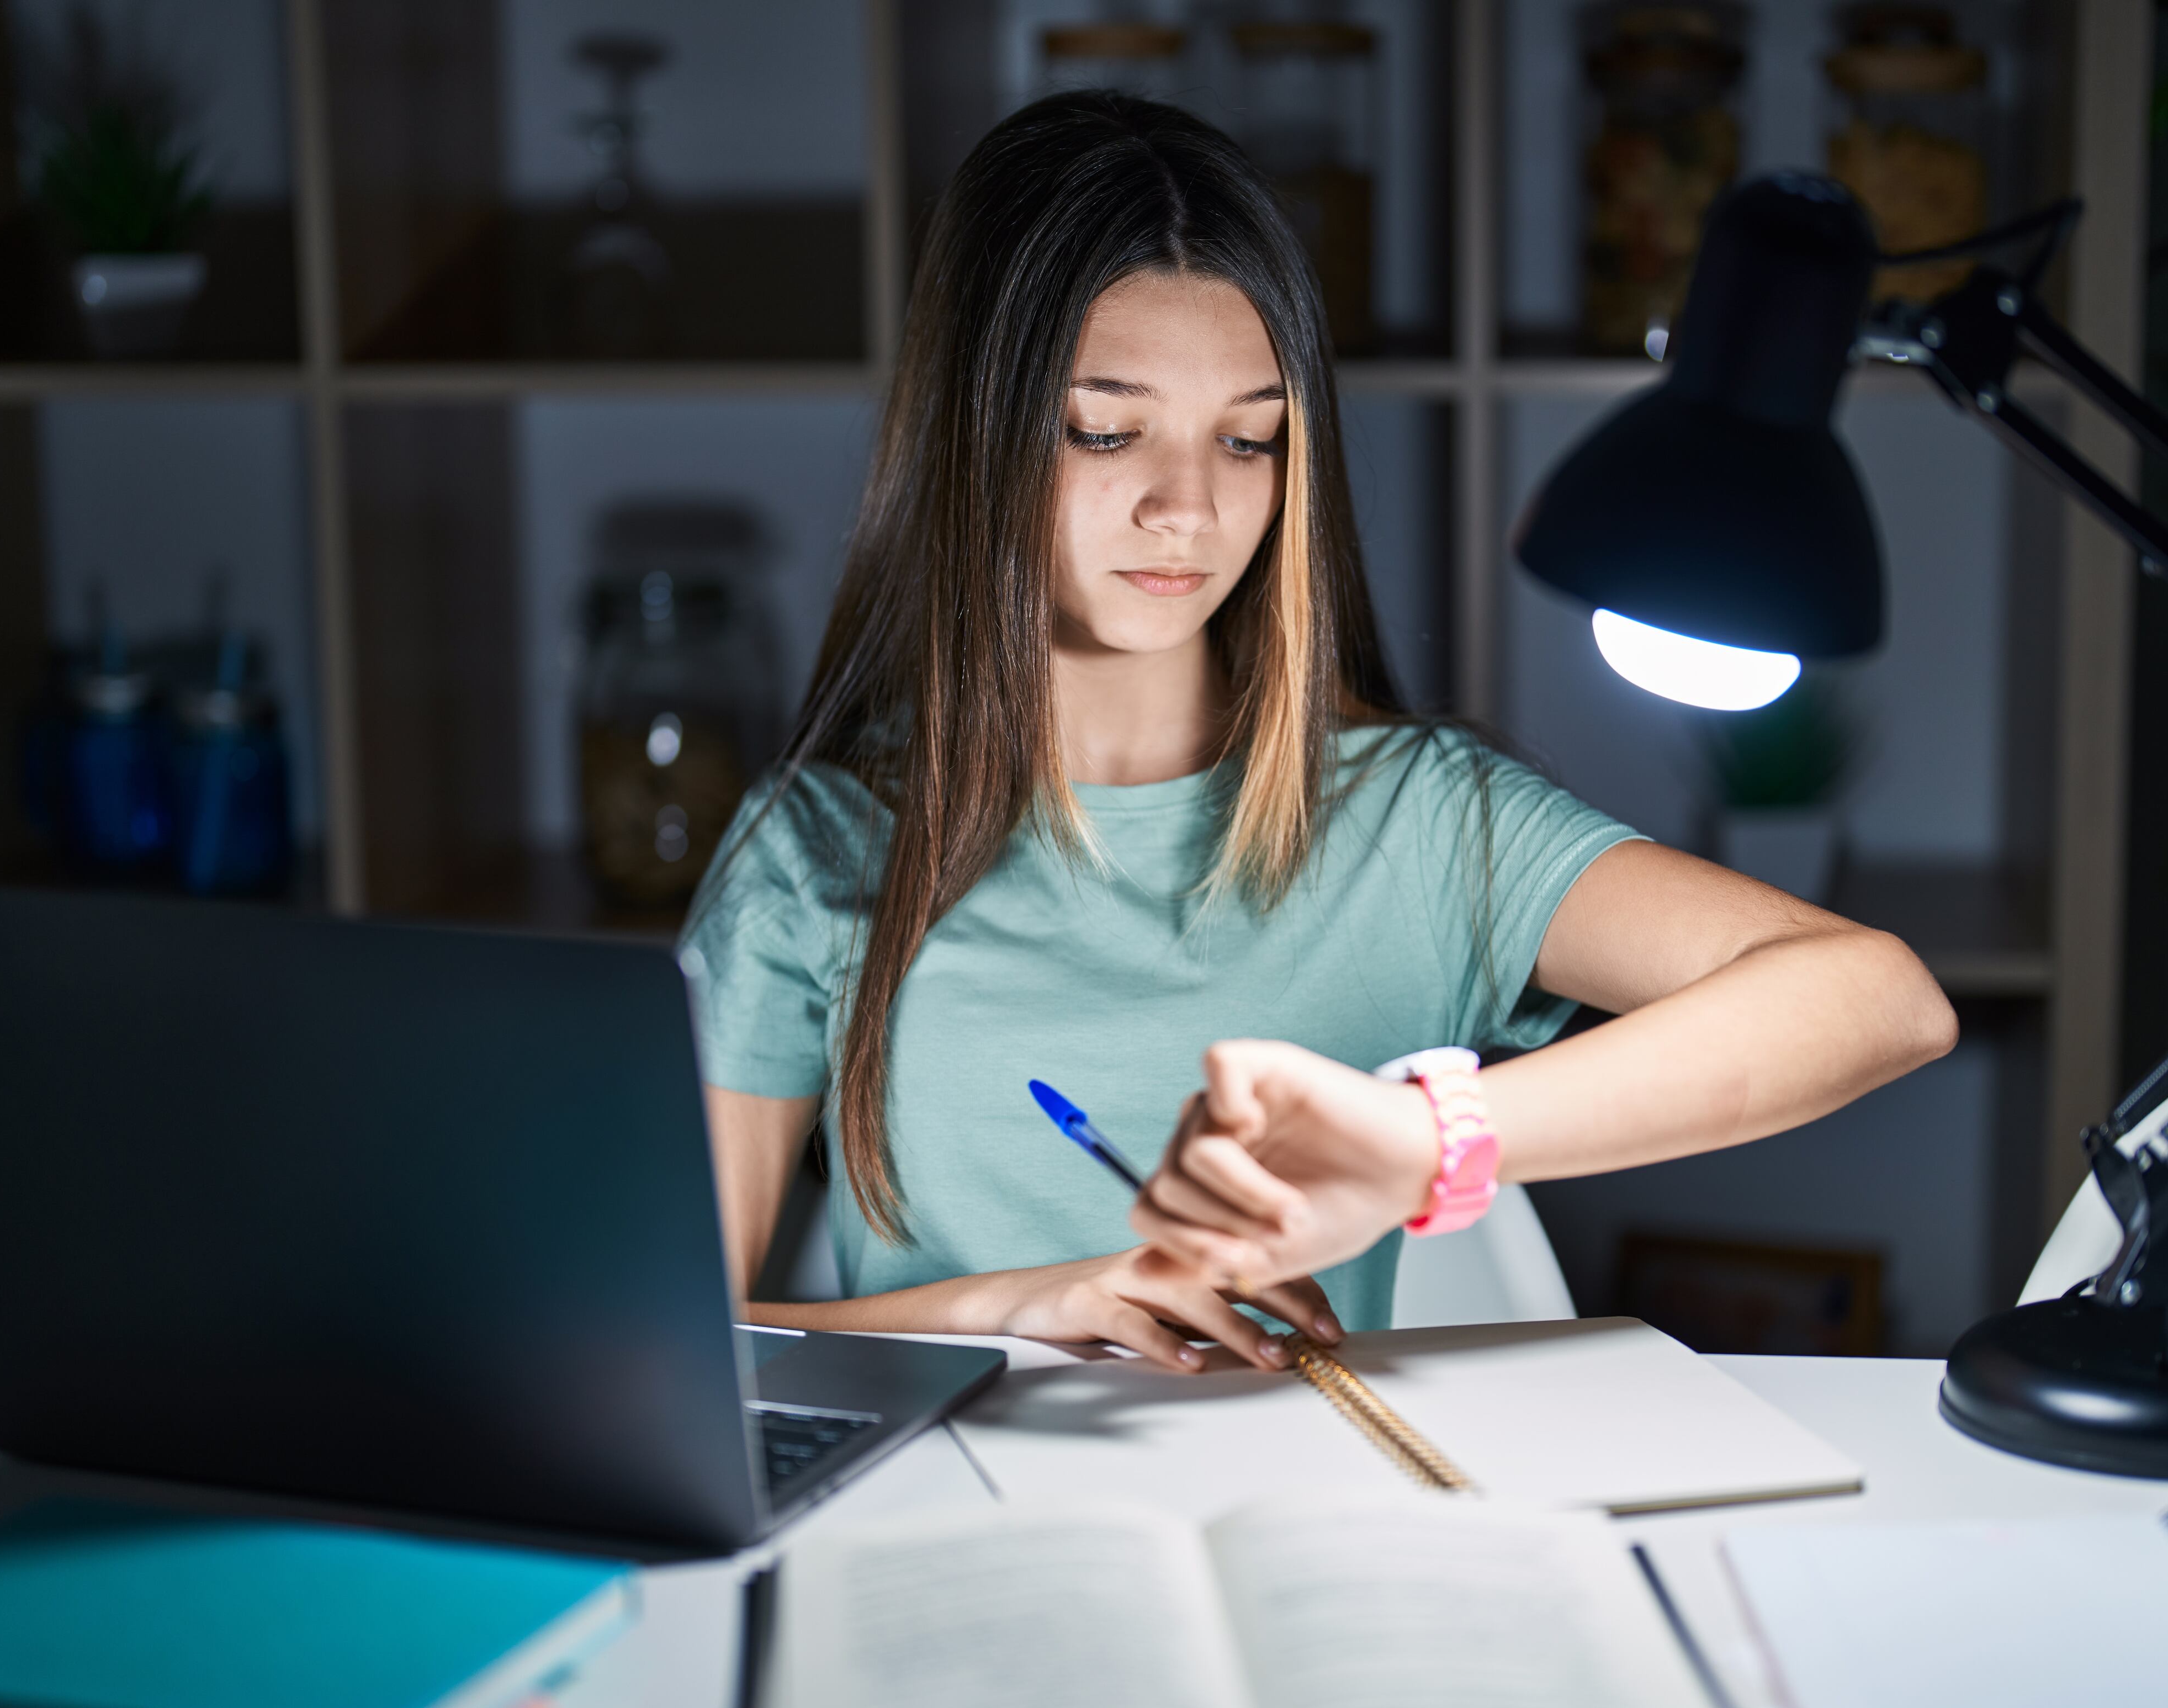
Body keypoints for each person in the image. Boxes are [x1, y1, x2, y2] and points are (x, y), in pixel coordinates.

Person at [682, 92, 1955, 1374]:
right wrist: (1010, 1306)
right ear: (972, 434)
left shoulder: (1420, 820)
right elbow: (682, 1340)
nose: (1187, 509)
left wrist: (1419, 1139)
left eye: (1248, 438)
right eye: (1107, 430)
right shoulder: (814, 853)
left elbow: (1877, 1001)